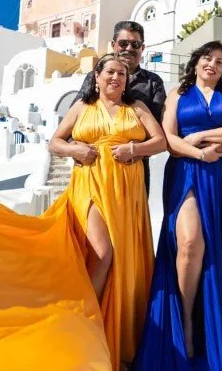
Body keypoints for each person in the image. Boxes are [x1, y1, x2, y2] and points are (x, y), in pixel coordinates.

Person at [132, 42, 222, 371]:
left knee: (221, 247)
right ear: (196, 62)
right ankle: (185, 323)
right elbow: (168, 138)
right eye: (207, 58)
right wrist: (200, 151)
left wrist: (201, 136)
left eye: (220, 61)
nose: (213, 65)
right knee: (190, 242)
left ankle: (215, 323)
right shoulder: (178, 93)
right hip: (188, 172)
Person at [47, 53, 166, 365]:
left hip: (127, 191)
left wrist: (134, 149)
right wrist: (74, 148)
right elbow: (54, 142)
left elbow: (160, 142)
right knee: (102, 253)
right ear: (97, 77)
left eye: (122, 74)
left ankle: (106, 326)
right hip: (90, 183)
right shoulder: (81, 107)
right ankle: (86, 321)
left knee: (122, 257)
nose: (117, 78)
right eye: (110, 72)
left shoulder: (137, 107)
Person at [78, 21, 167, 190]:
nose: (129, 48)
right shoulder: (94, 77)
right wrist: (76, 148)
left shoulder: (153, 82)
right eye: (123, 43)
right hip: (94, 170)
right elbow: (76, 117)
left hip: (134, 170)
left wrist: (136, 151)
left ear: (143, 48)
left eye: (135, 44)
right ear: (113, 45)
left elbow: (158, 128)